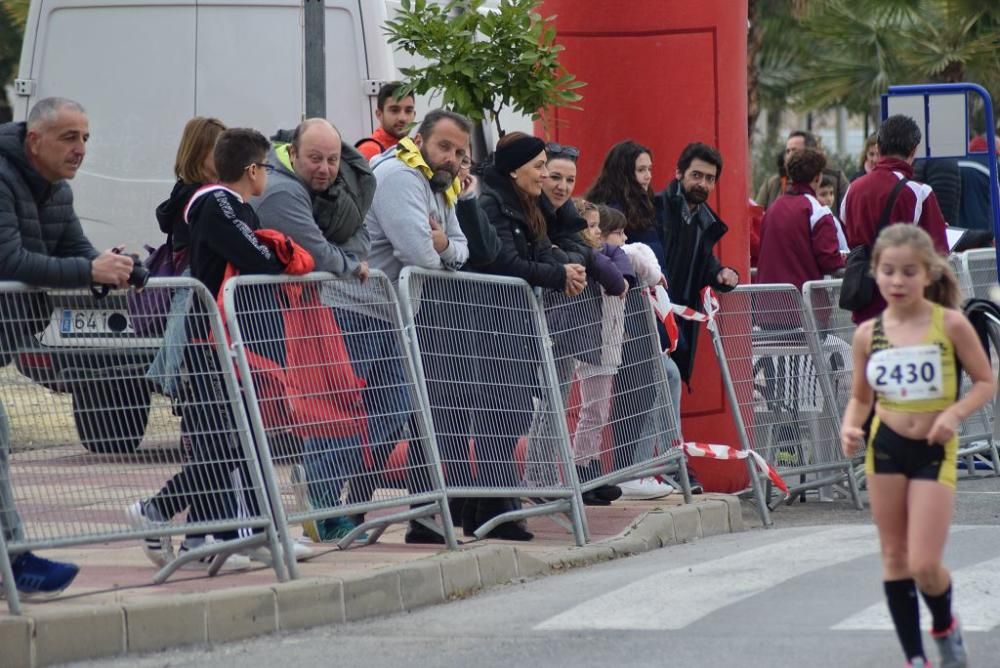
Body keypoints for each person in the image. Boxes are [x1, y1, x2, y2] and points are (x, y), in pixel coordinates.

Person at [840, 224, 994, 668]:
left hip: (932, 449)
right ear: (876, 274)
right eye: (888, 272)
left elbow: (986, 382)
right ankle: (915, 658)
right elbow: (860, 397)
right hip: (884, 447)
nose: (897, 281)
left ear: (927, 274)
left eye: (909, 272)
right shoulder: (869, 334)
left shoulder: (951, 324)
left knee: (925, 563)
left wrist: (953, 414)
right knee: (894, 556)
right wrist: (850, 428)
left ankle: (945, 625)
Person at [0, 97, 134, 598]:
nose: (80, 149)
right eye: (69, 138)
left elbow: (74, 250)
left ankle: (13, 562)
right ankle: (13, 563)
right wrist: (88, 271)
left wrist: (120, 270)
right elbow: (10, 260)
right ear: (35, 141)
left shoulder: (55, 190)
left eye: (85, 138)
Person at [250, 118, 375, 542]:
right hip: (277, 317)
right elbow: (318, 252)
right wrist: (346, 264)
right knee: (316, 415)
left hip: (308, 313)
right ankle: (314, 510)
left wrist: (341, 257)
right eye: (315, 159)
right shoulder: (283, 190)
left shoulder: (330, 194)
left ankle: (317, 496)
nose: (324, 168)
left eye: (333, 160)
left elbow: (360, 242)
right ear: (293, 154)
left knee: (379, 412)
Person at [129, 116, 237, 570]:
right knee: (221, 442)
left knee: (221, 440)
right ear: (201, 156)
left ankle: (202, 539)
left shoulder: (190, 200)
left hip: (202, 328)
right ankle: (156, 510)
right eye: (223, 151)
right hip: (200, 330)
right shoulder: (204, 202)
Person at [468, 130, 586, 540]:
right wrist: (558, 274)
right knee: (500, 415)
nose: (543, 175)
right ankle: (500, 507)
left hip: (518, 324)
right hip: (492, 322)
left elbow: (545, 247)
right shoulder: (492, 203)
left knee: (514, 412)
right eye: (538, 167)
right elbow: (505, 262)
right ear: (515, 169)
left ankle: (488, 507)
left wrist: (564, 266)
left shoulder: (525, 203)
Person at [366, 108, 471, 543]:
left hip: (399, 317)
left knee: (397, 418)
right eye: (444, 146)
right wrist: (441, 252)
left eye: (460, 152)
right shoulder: (401, 177)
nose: (451, 158)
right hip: (364, 312)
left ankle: (351, 508)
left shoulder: (440, 186)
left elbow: (460, 249)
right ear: (421, 141)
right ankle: (326, 502)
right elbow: (420, 257)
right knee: (364, 418)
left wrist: (444, 243)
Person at [587, 140, 681, 498]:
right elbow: (622, 255)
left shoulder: (645, 207)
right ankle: (637, 467)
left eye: (650, 170)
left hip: (642, 313)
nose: (647, 178)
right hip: (623, 316)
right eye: (640, 170)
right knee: (642, 387)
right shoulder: (610, 210)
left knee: (656, 380)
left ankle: (657, 465)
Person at [840, 115, 949, 325]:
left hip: (864, 304)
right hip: (908, 308)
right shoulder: (919, 193)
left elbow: (847, 231)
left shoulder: (853, 189)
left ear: (879, 148)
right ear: (913, 149)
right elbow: (938, 252)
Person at [756, 147, 845, 292]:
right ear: (817, 177)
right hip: (803, 303)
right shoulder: (818, 210)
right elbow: (829, 260)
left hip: (766, 304)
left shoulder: (772, 209)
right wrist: (847, 258)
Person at [756, 131, 850, 212]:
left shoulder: (836, 179)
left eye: (794, 151)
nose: (789, 156)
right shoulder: (773, 184)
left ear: (810, 152)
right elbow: (757, 215)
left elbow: (848, 212)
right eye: (787, 151)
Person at [355, 82, 416, 161]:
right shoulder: (371, 150)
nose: (402, 118)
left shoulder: (413, 147)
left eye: (408, 111)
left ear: (414, 114)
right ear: (379, 114)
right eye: (394, 110)